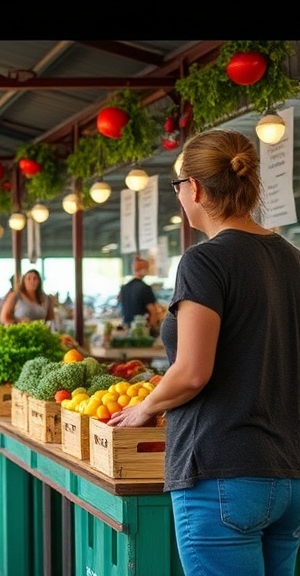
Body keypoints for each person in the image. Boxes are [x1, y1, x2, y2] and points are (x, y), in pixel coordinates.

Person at [108, 129, 300, 575]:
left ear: (193, 188)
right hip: (288, 470)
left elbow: (193, 371)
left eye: (179, 187)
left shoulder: (204, 260)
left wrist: (145, 406)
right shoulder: (292, 259)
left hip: (220, 471)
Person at [118, 256, 162, 334]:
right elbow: (153, 311)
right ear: (144, 269)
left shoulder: (124, 288)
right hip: (141, 331)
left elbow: (121, 308)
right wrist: (152, 329)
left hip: (127, 329)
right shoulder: (145, 288)